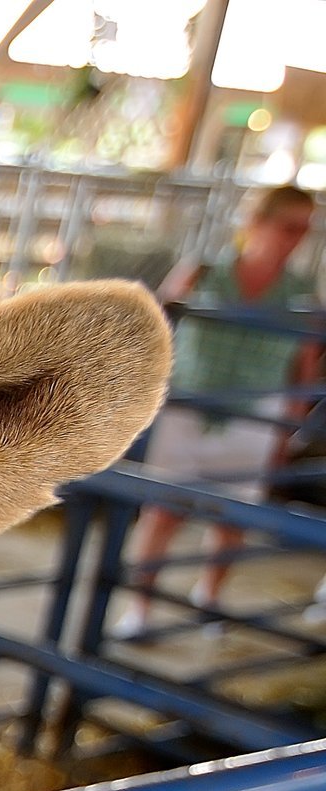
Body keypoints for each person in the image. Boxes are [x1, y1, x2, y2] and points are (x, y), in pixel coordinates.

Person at [108, 183, 320, 641]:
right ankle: (139, 609)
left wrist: (288, 428)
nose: (297, 238)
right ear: (257, 223)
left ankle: (209, 599)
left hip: (256, 414)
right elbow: (153, 332)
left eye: (305, 229)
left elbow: (304, 367)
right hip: (190, 405)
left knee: (232, 519)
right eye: (289, 227)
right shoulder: (202, 274)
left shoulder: (302, 294)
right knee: (163, 512)